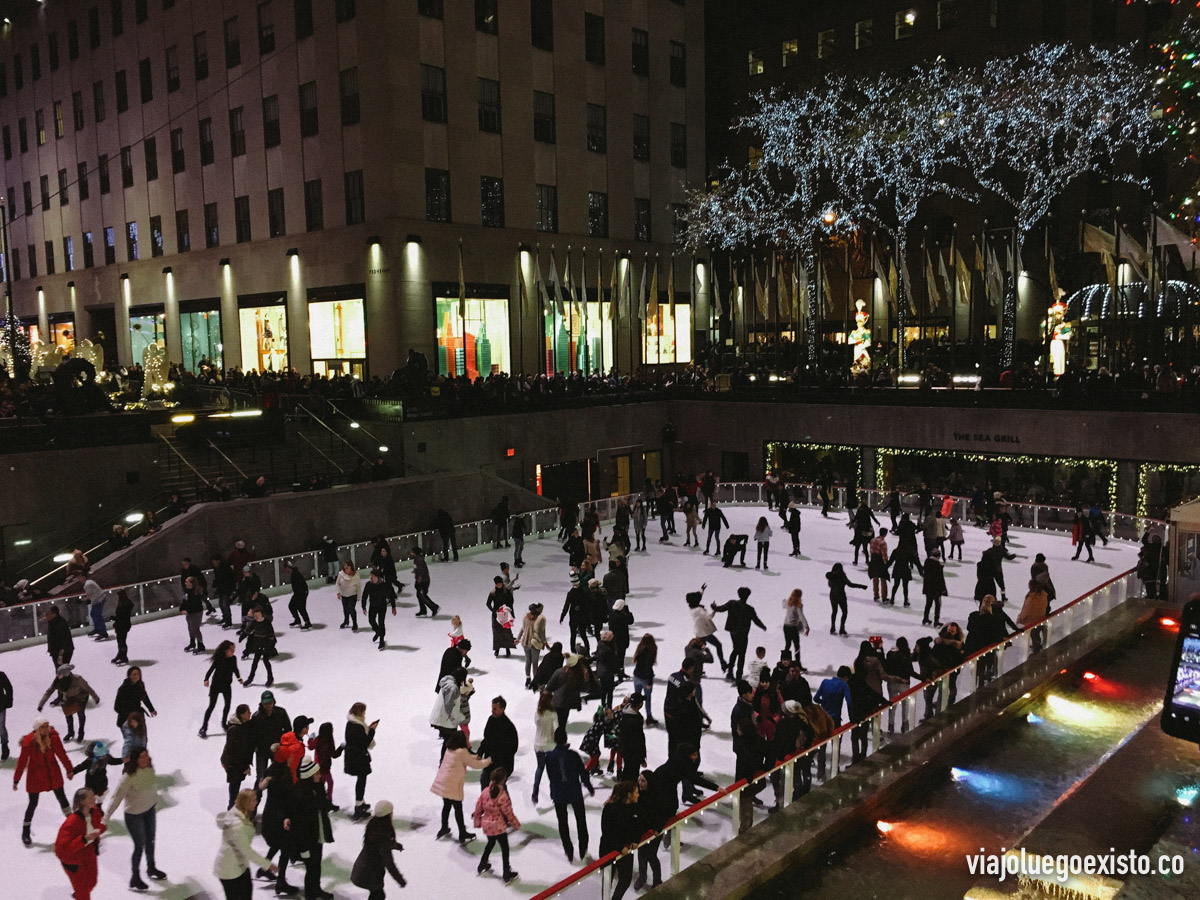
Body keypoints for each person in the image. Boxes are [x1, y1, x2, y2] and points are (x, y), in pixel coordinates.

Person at [105, 749, 166, 889]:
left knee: (150, 840)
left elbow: (152, 786)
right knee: (139, 846)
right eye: (141, 757)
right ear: (135, 760)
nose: (146, 759)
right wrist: (106, 817)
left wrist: (154, 801)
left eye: (146, 756)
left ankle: (151, 868)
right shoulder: (128, 777)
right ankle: (135, 877)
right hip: (134, 815)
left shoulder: (150, 769)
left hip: (149, 811)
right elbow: (117, 797)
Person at [14, 715, 74, 846]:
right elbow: (22, 761)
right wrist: (16, 780)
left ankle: (74, 824)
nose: (47, 729)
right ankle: (25, 831)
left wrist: (69, 769)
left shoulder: (53, 738)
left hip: (53, 774)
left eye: (47, 726)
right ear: (37, 729)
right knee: (33, 803)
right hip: (36, 776)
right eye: (43, 727)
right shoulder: (29, 742)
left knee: (62, 799)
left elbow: (62, 754)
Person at [215, 789, 277, 900]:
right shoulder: (237, 825)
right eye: (253, 800)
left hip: (239, 865)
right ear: (246, 802)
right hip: (230, 870)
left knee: (246, 893)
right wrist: (268, 865)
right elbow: (247, 851)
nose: (256, 802)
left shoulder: (240, 812)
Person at [287, 758, 335, 900]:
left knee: (316, 865)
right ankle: (310, 894)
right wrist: (303, 848)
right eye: (317, 773)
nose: (319, 775)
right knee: (311, 868)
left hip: (318, 833)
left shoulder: (318, 786)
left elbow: (324, 805)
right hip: (307, 839)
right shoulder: (300, 794)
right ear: (309, 775)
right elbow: (299, 825)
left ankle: (316, 889)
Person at [431, 730, 487, 843]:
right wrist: (489, 760)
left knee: (446, 805)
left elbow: (468, 759)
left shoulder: (449, 749)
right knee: (458, 809)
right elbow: (475, 764)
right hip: (452, 785)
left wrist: (477, 756)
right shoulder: (461, 752)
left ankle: (444, 827)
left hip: (444, 782)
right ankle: (462, 832)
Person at [55, 787, 106, 900]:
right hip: (73, 859)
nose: (94, 798)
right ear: (82, 801)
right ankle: (80, 894)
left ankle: (79, 893)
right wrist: (84, 839)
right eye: (91, 797)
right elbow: (61, 848)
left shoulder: (95, 812)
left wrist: (101, 829)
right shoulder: (72, 822)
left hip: (89, 852)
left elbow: (96, 825)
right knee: (83, 891)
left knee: (92, 881)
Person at [473, 768, 521, 883]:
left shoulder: (485, 792)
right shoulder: (502, 796)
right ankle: (506, 872)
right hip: (498, 826)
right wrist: (516, 824)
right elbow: (508, 812)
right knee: (505, 848)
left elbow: (478, 808)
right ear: (503, 780)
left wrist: (477, 821)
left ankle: (483, 863)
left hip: (487, 825)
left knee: (490, 843)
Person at [351, 801, 407, 898]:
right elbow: (389, 862)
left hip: (363, 868)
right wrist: (400, 879)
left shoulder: (374, 824)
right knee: (378, 895)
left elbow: (380, 843)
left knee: (376, 894)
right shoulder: (384, 832)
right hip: (370, 873)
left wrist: (395, 845)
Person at [711, 587, 767, 681]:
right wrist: (763, 626)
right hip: (743, 633)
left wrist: (714, 607)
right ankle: (738, 675)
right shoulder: (749, 609)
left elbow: (721, 608)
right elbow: (756, 620)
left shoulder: (732, 603)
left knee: (735, 650)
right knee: (741, 654)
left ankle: (730, 672)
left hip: (733, 632)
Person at [38, 663, 101, 743]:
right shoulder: (57, 681)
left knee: (80, 713)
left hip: (81, 697)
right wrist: (41, 704)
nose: (57, 675)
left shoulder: (77, 679)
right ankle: (70, 732)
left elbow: (87, 688)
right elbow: (49, 691)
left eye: (59, 674)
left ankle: (81, 732)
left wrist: (95, 697)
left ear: (65, 674)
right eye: (58, 673)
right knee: (68, 714)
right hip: (69, 698)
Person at [600, 781, 642, 900]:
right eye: (636, 793)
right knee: (607, 881)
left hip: (626, 850)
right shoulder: (611, 808)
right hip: (610, 850)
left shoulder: (634, 807)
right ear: (629, 795)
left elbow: (637, 826)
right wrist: (619, 847)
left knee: (625, 880)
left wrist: (636, 840)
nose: (638, 795)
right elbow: (607, 832)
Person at [201, 642, 244, 738]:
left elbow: (235, 669)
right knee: (211, 706)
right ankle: (204, 727)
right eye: (231, 650)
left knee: (227, 704)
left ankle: (224, 723)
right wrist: (206, 679)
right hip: (216, 686)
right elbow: (211, 670)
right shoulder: (219, 659)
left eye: (234, 649)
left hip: (226, 685)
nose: (233, 651)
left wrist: (239, 678)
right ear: (226, 650)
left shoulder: (233, 659)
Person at [478, 697, 519, 788]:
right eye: (492, 708)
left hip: (501, 766)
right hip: (489, 763)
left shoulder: (508, 727)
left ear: (503, 709)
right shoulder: (491, 720)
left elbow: (512, 748)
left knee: (498, 789)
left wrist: (496, 758)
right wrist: (480, 753)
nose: (492, 711)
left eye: (495, 709)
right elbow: (486, 739)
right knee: (484, 782)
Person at [250, 691, 291, 780]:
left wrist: (282, 743)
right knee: (261, 775)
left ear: (273, 702)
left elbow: (288, 729)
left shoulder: (281, 712)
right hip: (262, 750)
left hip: (277, 748)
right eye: (266, 704)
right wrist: (255, 746)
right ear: (262, 703)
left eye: (270, 703)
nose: (268, 706)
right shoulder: (256, 717)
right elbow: (253, 734)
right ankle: (258, 793)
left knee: (280, 773)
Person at [221, 705, 255, 808]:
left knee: (236, 785)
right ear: (242, 715)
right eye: (248, 712)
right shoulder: (235, 730)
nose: (250, 713)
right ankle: (231, 812)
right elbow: (234, 752)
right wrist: (244, 766)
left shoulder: (244, 725)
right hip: (232, 763)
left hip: (237, 763)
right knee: (234, 789)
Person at [884, 637, 918, 732]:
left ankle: (891, 726)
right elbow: (911, 671)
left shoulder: (890, 654)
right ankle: (904, 725)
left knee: (892, 705)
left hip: (892, 683)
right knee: (905, 705)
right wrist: (923, 678)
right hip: (905, 684)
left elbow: (887, 668)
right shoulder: (906, 656)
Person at [826, 563, 866, 637]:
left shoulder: (831, 576)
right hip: (841, 596)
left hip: (833, 596)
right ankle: (842, 628)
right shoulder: (842, 576)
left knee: (834, 611)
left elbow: (829, 585)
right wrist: (861, 586)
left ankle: (832, 627)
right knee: (844, 612)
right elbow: (851, 585)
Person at [361, 569, 398, 650]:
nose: (371, 578)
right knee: (371, 620)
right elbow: (364, 595)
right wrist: (363, 606)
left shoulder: (384, 585)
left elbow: (392, 595)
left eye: (372, 577)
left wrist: (393, 607)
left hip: (382, 605)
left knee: (381, 622)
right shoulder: (369, 585)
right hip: (373, 605)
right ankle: (378, 631)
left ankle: (381, 640)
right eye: (370, 576)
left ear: (377, 577)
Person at [240, 607, 278, 685]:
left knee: (265, 661)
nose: (256, 617)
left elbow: (272, 636)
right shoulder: (254, 622)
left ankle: (270, 678)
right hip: (258, 644)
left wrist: (269, 646)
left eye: (258, 615)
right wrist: (243, 636)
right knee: (255, 662)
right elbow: (248, 630)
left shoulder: (267, 623)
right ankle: (250, 679)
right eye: (255, 615)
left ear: (262, 614)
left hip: (266, 644)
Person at [617, 694, 647, 780]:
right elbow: (637, 741)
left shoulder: (626, 713)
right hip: (632, 753)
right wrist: (641, 759)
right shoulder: (634, 721)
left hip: (625, 750)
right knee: (631, 774)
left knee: (627, 769)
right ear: (639, 704)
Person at [1017, 578, 1051, 653]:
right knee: (1036, 632)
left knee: (1034, 634)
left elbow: (1027, 609)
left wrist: (1021, 618)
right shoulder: (1043, 595)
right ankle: (1038, 645)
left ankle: (1036, 648)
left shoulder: (1031, 597)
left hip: (1032, 620)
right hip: (1040, 617)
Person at [180, 574, 208, 654]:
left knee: (195, 629)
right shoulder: (187, 592)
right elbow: (184, 601)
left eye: (187, 582)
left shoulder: (196, 593)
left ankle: (201, 645)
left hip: (196, 612)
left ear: (191, 583)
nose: (185, 583)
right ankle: (192, 643)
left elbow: (195, 604)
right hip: (190, 613)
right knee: (190, 628)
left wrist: (187, 610)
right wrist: (182, 608)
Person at [782, 589, 810, 666]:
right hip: (793, 627)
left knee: (787, 644)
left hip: (786, 626)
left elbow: (783, 605)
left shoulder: (788, 602)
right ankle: (797, 665)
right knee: (796, 646)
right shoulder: (799, 605)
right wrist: (806, 627)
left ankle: (784, 663)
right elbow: (801, 616)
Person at [922, 550, 948, 625]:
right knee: (937, 604)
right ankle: (936, 621)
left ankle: (925, 618)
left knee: (928, 604)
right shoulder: (937, 565)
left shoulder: (927, 562)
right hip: (936, 589)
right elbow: (940, 579)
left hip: (928, 587)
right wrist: (943, 589)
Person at [411, 547, 439, 616]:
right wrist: (415, 571)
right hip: (424, 580)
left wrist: (419, 579)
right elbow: (418, 568)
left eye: (412, 552)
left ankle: (434, 607)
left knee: (422, 595)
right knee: (420, 595)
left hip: (423, 581)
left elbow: (421, 570)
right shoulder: (417, 559)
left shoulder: (418, 560)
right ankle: (423, 610)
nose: (411, 553)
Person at [283, 561, 312, 630]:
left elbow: (301, 585)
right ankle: (297, 620)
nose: (285, 570)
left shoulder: (296, 574)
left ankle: (307, 622)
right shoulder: (293, 573)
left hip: (302, 593)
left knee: (301, 607)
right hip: (298, 593)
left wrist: (301, 595)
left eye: (286, 568)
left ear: (289, 568)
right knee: (291, 606)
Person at [212, 555, 238, 629]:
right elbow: (217, 579)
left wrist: (232, 588)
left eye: (214, 562)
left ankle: (228, 621)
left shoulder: (226, 568)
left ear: (218, 561)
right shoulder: (216, 569)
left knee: (225, 605)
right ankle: (225, 618)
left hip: (226, 589)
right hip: (221, 590)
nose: (214, 563)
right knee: (221, 604)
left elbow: (231, 578)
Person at [45, 604, 75, 669]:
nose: (46, 615)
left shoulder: (60, 624)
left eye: (48, 614)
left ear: (54, 614)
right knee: (61, 672)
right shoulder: (53, 621)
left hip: (64, 652)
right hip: (57, 651)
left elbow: (64, 641)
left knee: (61, 673)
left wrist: (60, 656)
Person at [111, 589, 135, 666]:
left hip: (123, 625)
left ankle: (124, 656)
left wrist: (114, 618)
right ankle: (120, 654)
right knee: (120, 641)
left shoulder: (124, 605)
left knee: (122, 641)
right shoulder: (123, 604)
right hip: (121, 625)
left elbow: (122, 617)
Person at [336, 562, 362, 630]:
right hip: (344, 595)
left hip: (352, 595)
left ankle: (354, 623)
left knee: (351, 608)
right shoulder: (341, 574)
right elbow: (337, 583)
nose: (346, 568)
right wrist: (338, 592)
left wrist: (359, 596)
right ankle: (346, 620)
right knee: (345, 609)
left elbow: (359, 587)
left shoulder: (356, 576)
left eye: (347, 567)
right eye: (345, 567)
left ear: (351, 567)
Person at [867, 529, 890, 600]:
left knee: (875, 578)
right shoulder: (883, 543)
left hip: (873, 560)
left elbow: (870, 551)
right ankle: (884, 596)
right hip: (880, 562)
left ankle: (876, 595)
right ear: (885, 534)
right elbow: (884, 555)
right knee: (883, 579)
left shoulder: (872, 540)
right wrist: (886, 563)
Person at [0, 668, 10, 761]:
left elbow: (8, 687)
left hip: (1, 706)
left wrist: (8, 702)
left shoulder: (1, 675)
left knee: (1, 727)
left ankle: (4, 747)